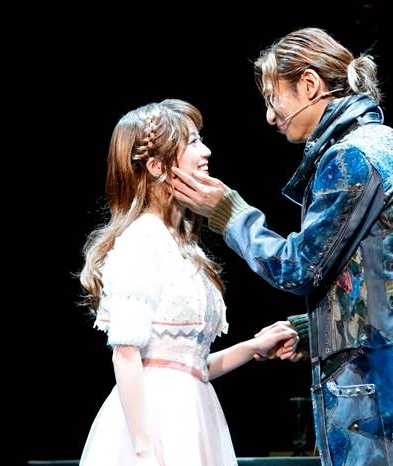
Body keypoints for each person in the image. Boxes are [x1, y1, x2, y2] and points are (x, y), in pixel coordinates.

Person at [171, 28, 393, 465]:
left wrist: (229, 212)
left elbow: (298, 268)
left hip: (385, 399)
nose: (270, 117)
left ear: (310, 85)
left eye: (273, 99)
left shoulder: (351, 158)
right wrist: (315, 329)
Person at [78, 100, 298, 466]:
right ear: (156, 166)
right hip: (156, 422)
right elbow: (126, 354)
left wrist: (253, 347)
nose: (206, 151)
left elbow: (191, 366)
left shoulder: (181, 246)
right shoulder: (142, 240)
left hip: (193, 414)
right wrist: (145, 451)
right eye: (193, 141)